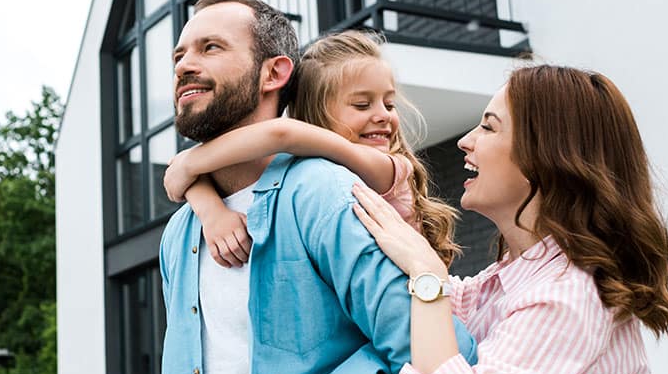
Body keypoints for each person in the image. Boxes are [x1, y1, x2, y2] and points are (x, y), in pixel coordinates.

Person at [156, 0, 476, 374]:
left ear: (274, 72)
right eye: (179, 55)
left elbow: (440, 363)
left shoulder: (325, 194)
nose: (185, 66)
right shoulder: (181, 233)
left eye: (210, 48)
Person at [351, 64, 668, 374]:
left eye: (489, 127)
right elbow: (446, 312)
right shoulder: (516, 277)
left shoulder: (566, 293)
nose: (465, 140)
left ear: (546, 154)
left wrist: (426, 273)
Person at [163, 30, 459, 272]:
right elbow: (193, 179)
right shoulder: (304, 173)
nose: (384, 115)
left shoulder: (389, 168)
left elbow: (282, 134)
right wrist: (212, 212)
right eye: (362, 105)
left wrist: (191, 161)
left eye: (389, 104)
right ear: (316, 115)